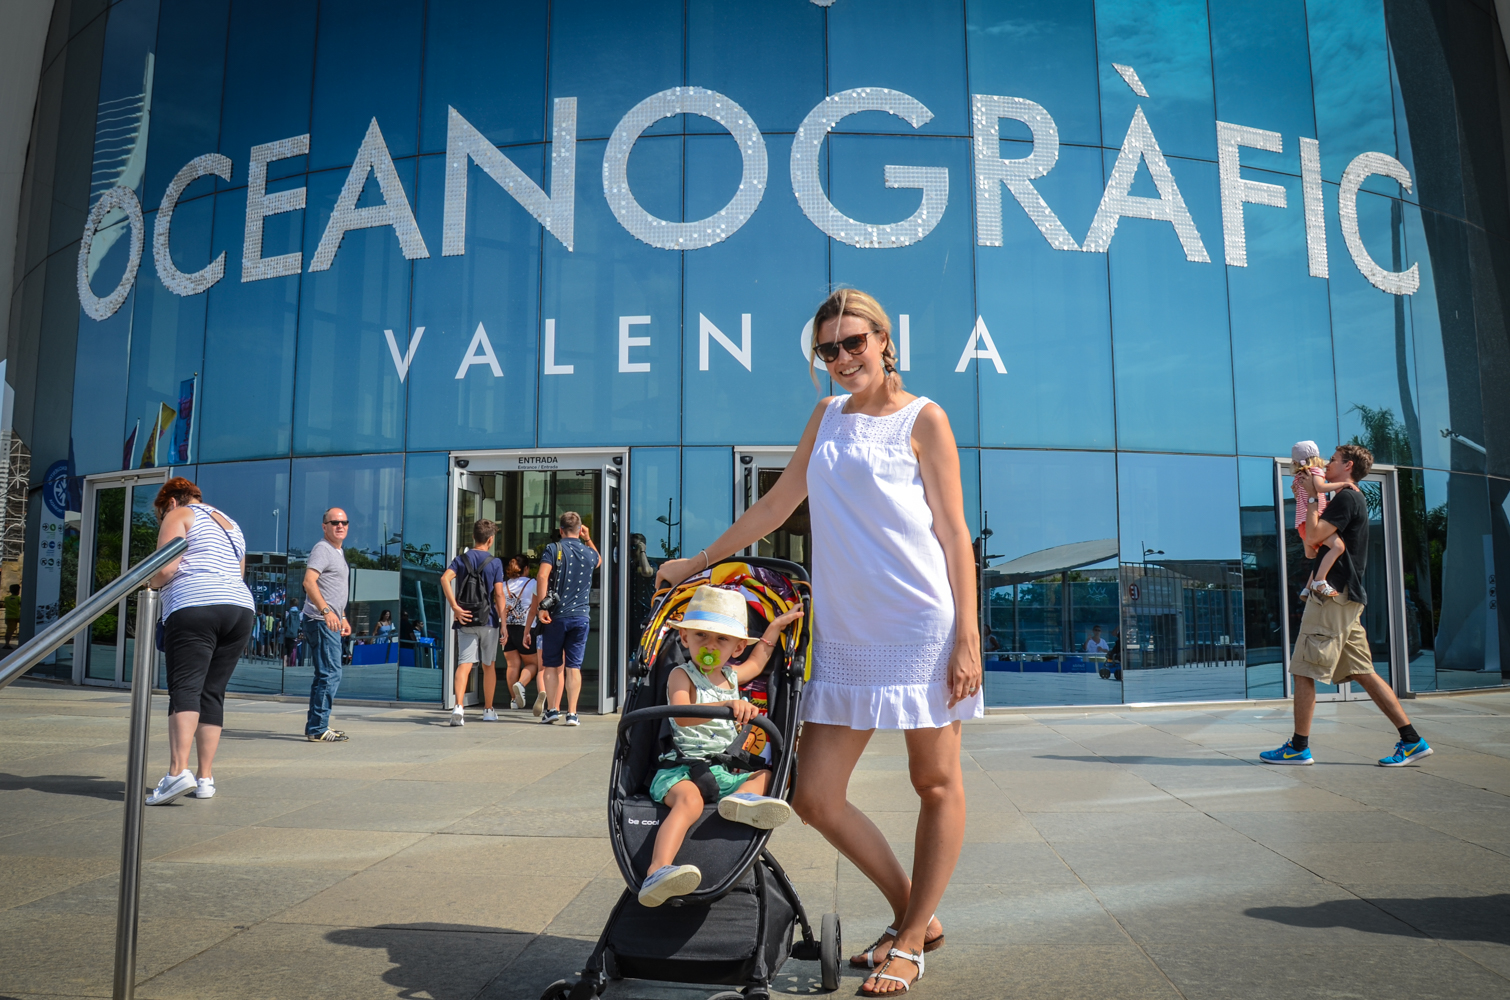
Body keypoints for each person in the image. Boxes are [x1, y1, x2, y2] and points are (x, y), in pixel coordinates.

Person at [656, 288, 982, 996]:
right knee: (815, 794)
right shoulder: (825, 417)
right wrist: (696, 564)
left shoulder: (925, 419)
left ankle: (909, 941)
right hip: (843, 629)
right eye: (827, 350)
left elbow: (956, 533)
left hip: (921, 625)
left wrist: (968, 635)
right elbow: (776, 505)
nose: (840, 359)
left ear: (884, 340)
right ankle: (914, 916)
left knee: (934, 782)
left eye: (852, 343)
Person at [1262, 445, 1431, 768]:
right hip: (1344, 598)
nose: (1326, 464)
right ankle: (1412, 740)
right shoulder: (1345, 497)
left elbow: (1313, 534)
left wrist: (1311, 498)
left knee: (1303, 669)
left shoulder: (1347, 498)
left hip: (1333, 596)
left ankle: (1299, 747)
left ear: (1347, 465)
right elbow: (1313, 551)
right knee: (1363, 672)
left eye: (1333, 460)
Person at [639, 585, 803, 906]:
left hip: (724, 770)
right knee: (690, 803)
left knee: (768, 776)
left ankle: (741, 801)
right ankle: (657, 870)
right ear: (685, 639)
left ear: (737, 647)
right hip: (681, 770)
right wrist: (727, 707)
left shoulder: (731, 676)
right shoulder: (680, 675)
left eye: (721, 640)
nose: (710, 646)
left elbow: (759, 661)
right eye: (701, 636)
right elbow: (683, 715)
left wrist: (773, 629)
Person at [144, 477, 255, 805]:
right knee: (211, 692)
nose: (162, 518)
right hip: (239, 610)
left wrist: (148, 583)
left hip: (194, 606)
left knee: (185, 689)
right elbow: (238, 574)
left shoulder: (179, 515)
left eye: (161, 512)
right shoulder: (231, 524)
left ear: (171, 502)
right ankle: (205, 778)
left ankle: (178, 772)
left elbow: (166, 568)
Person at [525, 512, 601, 726]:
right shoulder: (588, 552)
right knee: (573, 667)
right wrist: (587, 538)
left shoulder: (553, 549)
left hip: (557, 616)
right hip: (581, 617)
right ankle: (573, 714)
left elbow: (541, 576)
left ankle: (552, 710)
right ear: (579, 529)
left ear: (560, 530)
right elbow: (599, 561)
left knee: (551, 665)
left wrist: (541, 608)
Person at [440, 519, 507, 725]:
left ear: (473, 537)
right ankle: (488, 709)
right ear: (490, 539)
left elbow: (445, 579)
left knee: (464, 664)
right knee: (489, 665)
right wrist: (503, 624)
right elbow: (498, 595)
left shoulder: (461, 559)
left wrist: (455, 607)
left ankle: (458, 707)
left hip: (466, 619)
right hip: (489, 620)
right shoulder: (494, 563)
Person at [302, 508, 352, 742]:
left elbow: (333, 590)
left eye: (343, 522)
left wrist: (341, 616)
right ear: (325, 527)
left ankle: (316, 725)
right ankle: (318, 728)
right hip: (320, 621)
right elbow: (309, 582)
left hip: (329, 620)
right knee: (331, 673)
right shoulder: (323, 549)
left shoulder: (337, 552)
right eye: (334, 523)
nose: (339, 526)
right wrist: (326, 611)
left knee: (324, 674)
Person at [1290, 440, 1352, 600]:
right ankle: (1319, 581)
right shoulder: (1314, 471)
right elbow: (1320, 488)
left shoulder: (1299, 477)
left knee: (1319, 554)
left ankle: (1307, 588)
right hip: (1312, 521)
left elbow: (1305, 497)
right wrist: (1344, 484)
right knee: (1338, 547)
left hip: (1302, 523)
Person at [502, 553, 546, 714]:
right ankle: (521, 684)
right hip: (526, 627)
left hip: (508, 628)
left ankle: (514, 700)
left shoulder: (503, 585)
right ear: (526, 568)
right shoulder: (532, 583)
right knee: (533, 664)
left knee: (512, 665)